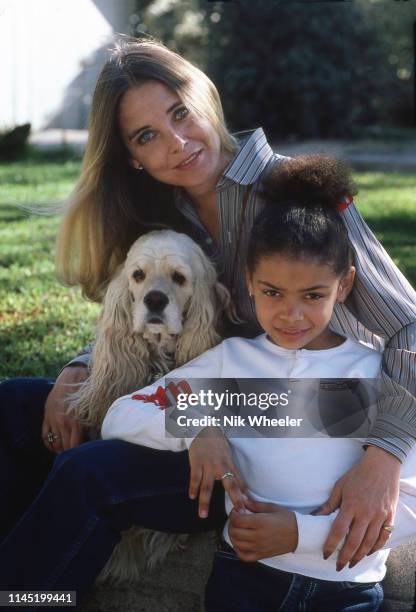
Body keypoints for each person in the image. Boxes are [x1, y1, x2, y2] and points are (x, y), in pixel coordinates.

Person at [0, 37, 415, 603]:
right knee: (15, 407)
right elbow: (141, 314)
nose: (176, 143)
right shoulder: (163, 209)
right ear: (131, 156)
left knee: (89, 474)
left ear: (205, 98)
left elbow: (408, 327)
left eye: (180, 113)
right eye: (147, 136)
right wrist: (81, 366)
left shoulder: (297, 192)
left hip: (300, 421)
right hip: (199, 401)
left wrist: (384, 458)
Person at [101, 155, 416, 611]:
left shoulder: (371, 375)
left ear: (344, 286)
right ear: (249, 282)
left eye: (313, 295)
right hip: (244, 583)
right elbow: (121, 414)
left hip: (345, 590)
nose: (292, 315)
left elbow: (407, 500)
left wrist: (301, 535)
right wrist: (198, 427)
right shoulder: (232, 362)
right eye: (272, 293)